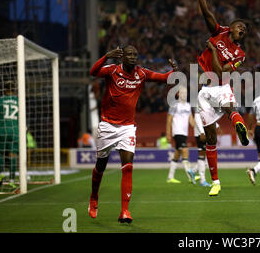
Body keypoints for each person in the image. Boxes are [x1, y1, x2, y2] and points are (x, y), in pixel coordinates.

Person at [87, 45, 178, 223]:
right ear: (122, 57)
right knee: (100, 166)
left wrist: (174, 70)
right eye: (129, 54)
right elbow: (93, 71)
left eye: (135, 55)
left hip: (127, 127)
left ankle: (125, 211)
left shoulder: (141, 73)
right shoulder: (112, 70)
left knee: (128, 166)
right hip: (107, 125)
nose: (132, 57)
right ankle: (94, 197)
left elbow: (163, 78)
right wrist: (106, 56)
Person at [194, 0, 250, 196]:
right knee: (210, 138)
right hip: (205, 92)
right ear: (231, 27)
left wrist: (214, 50)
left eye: (244, 30)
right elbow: (207, 14)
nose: (242, 30)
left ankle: (240, 126)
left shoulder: (240, 54)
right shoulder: (220, 32)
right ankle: (215, 181)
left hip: (222, 86)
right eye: (239, 27)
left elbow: (219, 72)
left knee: (230, 108)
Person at [166, 87, 196, 184]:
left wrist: (199, 129)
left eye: (186, 93)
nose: (184, 94)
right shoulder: (174, 105)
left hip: (184, 133)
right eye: (182, 92)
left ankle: (170, 177)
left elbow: (191, 120)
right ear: (178, 94)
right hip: (177, 132)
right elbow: (169, 120)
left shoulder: (188, 106)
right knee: (185, 150)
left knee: (177, 154)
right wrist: (168, 133)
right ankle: (190, 175)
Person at [0, 81, 19, 190]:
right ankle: (11, 180)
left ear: (4, 90)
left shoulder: (0, 100)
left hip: (3, 130)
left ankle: (1, 173)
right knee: (12, 155)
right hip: (15, 131)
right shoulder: (18, 101)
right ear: (14, 89)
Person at [187, 109, 212, 187]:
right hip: (200, 134)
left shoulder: (206, 105)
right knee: (202, 157)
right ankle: (202, 180)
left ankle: (193, 171)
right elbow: (197, 118)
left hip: (205, 133)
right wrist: (202, 132)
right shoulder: (199, 104)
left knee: (206, 157)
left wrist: (217, 126)